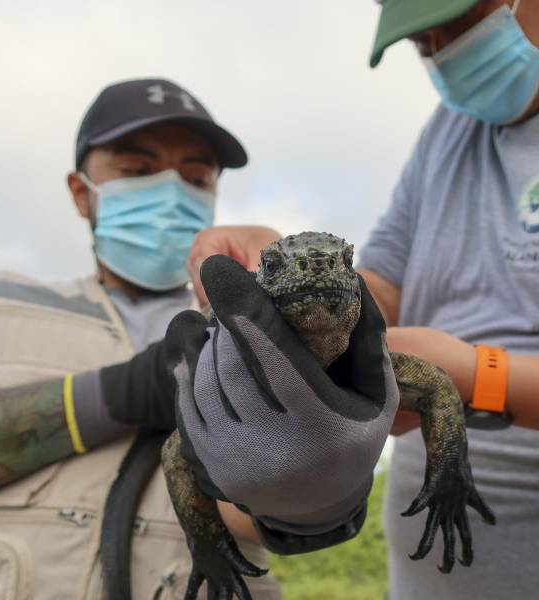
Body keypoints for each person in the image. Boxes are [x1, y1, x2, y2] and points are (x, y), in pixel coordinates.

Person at [186, 0, 539, 598]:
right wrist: (278, 267)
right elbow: (378, 290)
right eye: (420, 41)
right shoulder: (449, 133)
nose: (441, 50)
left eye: (457, 22)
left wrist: (478, 376)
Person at [0, 78, 282, 600]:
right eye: (137, 172)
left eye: (195, 178)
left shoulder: (242, 319)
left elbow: (289, 507)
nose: (172, 194)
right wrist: (126, 390)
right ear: (82, 193)